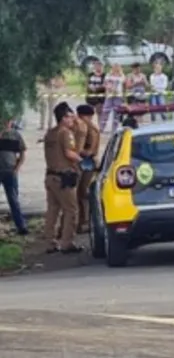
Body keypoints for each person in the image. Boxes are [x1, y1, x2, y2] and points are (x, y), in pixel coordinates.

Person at [43, 103, 83, 254]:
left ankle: (49, 242)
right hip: (63, 177)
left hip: (50, 176)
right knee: (71, 210)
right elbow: (69, 153)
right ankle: (67, 242)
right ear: (63, 118)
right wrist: (81, 161)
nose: (72, 119)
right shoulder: (65, 133)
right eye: (70, 116)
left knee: (52, 210)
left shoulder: (50, 133)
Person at [74, 105, 100, 233]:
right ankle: (83, 221)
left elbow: (91, 150)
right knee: (80, 193)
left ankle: (85, 221)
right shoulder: (88, 127)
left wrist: (80, 152)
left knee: (82, 193)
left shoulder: (90, 129)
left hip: (87, 163)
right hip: (86, 162)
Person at [0, 118, 28, 235]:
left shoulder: (15, 135)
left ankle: (21, 226)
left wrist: (17, 168)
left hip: (9, 171)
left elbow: (22, 152)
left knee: (13, 199)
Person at [101, 63, 126, 133]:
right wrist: (109, 89)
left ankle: (114, 130)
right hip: (109, 95)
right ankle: (102, 128)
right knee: (105, 111)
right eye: (114, 67)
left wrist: (123, 97)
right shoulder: (108, 75)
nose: (116, 68)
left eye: (117, 67)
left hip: (118, 96)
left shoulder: (122, 76)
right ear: (112, 68)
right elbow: (104, 84)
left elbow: (124, 86)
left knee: (117, 113)